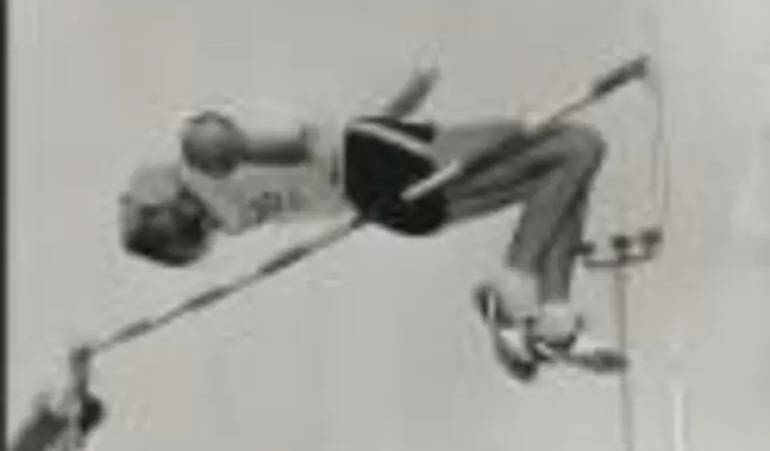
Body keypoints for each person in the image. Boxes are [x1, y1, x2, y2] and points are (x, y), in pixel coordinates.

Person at [119, 65, 622, 381]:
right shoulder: (201, 157)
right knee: (574, 146)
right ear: (160, 198)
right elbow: (309, 148)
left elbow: (319, 165)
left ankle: (552, 323)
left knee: (569, 165)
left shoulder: (226, 215)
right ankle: (517, 295)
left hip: (391, 201)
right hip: (379, 161)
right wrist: (234, 141)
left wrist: (396, 111)